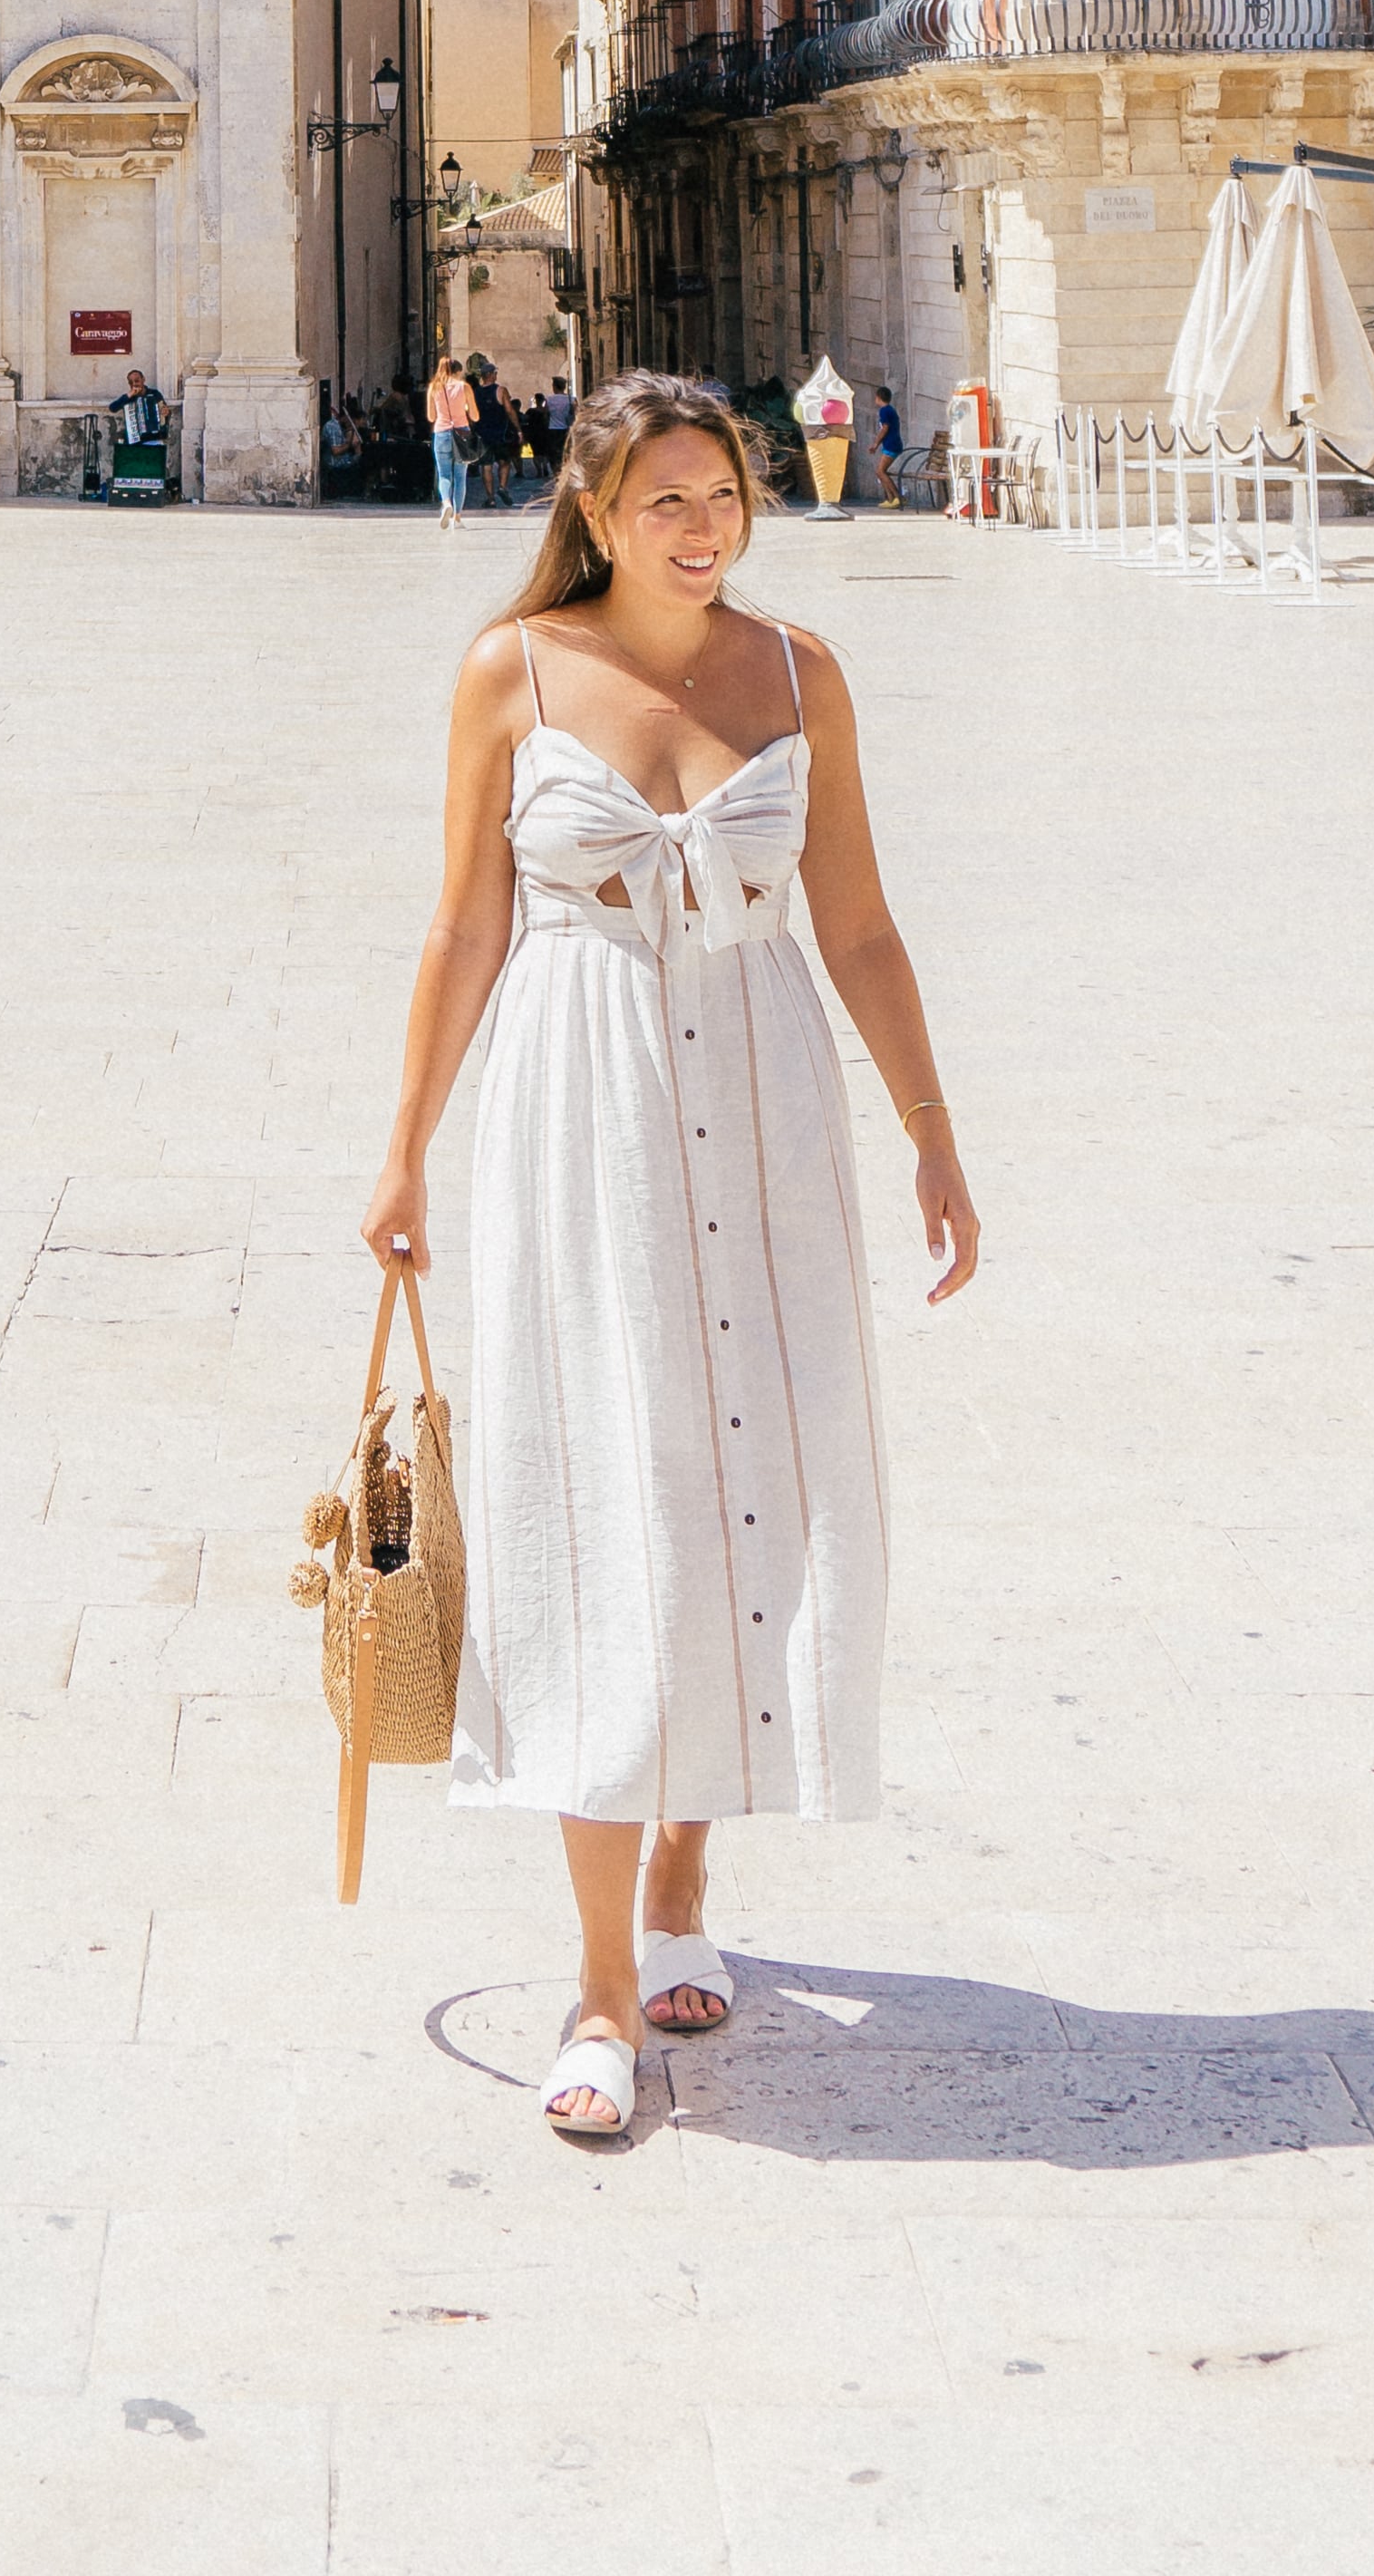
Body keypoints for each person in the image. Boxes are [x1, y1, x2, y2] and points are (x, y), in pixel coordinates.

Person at [361, 367, 978, 2148]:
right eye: (666, 504)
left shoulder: (799, 677)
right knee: (595, 1505)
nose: (701, 531)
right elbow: (465, 921)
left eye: (724, 499)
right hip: (580, 1111)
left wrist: (932, 1131)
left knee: (746, 1495)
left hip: (765, 1103)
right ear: (593, 510)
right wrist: (400, 1146)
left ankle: (688, 1884)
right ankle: (601, 1989)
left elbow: (853, 921)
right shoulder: (513, 671)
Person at [423, 352, 479, 519]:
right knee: (460, 476)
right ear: (457, 372)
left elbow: (431, 417)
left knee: (444, 474)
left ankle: (446, 502)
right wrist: (465, 410)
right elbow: (475, 416)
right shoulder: (464, 387)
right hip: (462, 433)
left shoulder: (434, 387)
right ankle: (457, 516)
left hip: (441, 433)